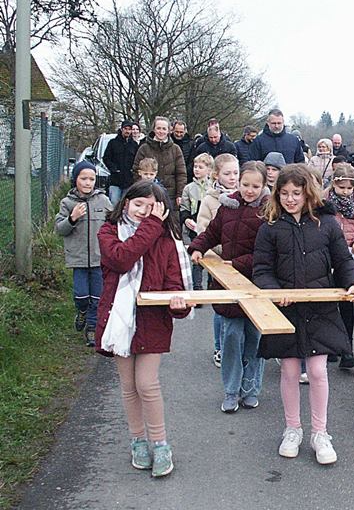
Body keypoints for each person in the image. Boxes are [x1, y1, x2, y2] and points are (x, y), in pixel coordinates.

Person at [252, 164, 354, 465]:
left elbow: (343, 261)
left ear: (308, 194)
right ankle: (292, 429)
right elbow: (261, 269)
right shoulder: (269, 228)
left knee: (317, 371)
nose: (290, 199)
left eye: (296, 193)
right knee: (289, 371)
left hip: (320, 307)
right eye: (284, 193)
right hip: (286, 310)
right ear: (277, 194)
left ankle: (320, 433)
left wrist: (353, 283)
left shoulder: (327, 224)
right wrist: (274, 291)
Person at [95, 180, 193, 478]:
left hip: (152, 323)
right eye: (138, 204)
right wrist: (151, 226)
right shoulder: (108, 232)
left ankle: (160, 444)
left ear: (162, 212)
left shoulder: (168, 243)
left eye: (151, 208)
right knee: (129, 386)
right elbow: (122, 259)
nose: (143, 212)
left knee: (147, 384)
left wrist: (178, 303)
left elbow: (176, 286)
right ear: (126, 203)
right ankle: (138, 441)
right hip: (119, 321)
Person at [189, 162, 269, 413]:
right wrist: (198, 247)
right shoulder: (227, 206)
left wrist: (237, 263)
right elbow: (212, 232)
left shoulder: (270, 211)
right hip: (227, 286)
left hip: (257, 286)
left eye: (255, 186)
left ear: (264, 185)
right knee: (231, 339)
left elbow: (268, 253)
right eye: (245, 184)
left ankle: (251, 389)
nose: (250, 190)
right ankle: (231, 391)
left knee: (254, 341)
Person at [55, 161, 113, 346]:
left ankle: (92, 328)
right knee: (81, 296)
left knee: (97, 297)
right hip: (78, 258)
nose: (88, 183)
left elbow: (113, 223)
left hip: (99, 258)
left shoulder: (103, 200)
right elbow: (60, 229)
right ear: (76, 179)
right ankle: (81, 312)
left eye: (91, 179)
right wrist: (72, 218)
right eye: (83, 179)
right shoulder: (67, 203)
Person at [323, 163, 354, 368]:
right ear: (334, 184)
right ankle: (328, 346)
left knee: (346, 304)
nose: (345, 191)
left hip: (348, 257)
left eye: (349, 188)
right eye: (342, 187)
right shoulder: (324, 203)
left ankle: (347, 349)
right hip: (326, 258)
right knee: (326, 306)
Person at [196, 153, 240, 368]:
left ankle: (238, 346)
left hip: (242, 260)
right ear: (216, 175)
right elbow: (203, 229)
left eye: (236, 173)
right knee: (221, 306)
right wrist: (223, 249)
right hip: (220, 260)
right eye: (227, 173)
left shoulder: (245, 195)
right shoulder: (210, 200)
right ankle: (219, 347)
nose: (233, 177)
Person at [133, 116, 188, 204]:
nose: (161, 131)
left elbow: (181, 174)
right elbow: (136, 171)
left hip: (170, 196)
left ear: (169, 131)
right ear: (154, 129)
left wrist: (180, 194)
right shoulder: (144, 148)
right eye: (158, 128)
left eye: (164, 129)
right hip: (148, 194)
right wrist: (142, 190)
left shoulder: (175, 149)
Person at [179, 153, 213, 291]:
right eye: (195, 166)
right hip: (194, 228)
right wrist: (186, 219)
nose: (196, 169)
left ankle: (212, 285)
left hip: (210, 227)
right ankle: (197, 287)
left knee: (212, 258)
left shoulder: (213, 188)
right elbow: (184, 208)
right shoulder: (188, 188)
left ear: (209, 170)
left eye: (200, 167)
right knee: (197, 258)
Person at [102, 120, 139, 204]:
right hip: (115, 180)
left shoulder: (134, 145)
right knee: (114, 203)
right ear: (121, 129)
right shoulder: (112, 143)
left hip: (129, 181)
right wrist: (113, 169)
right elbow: (106, 158)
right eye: (125, 129)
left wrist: (133, 171)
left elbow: (137, 160)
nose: (127, 131)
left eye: (129, 129)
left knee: (126, 204)